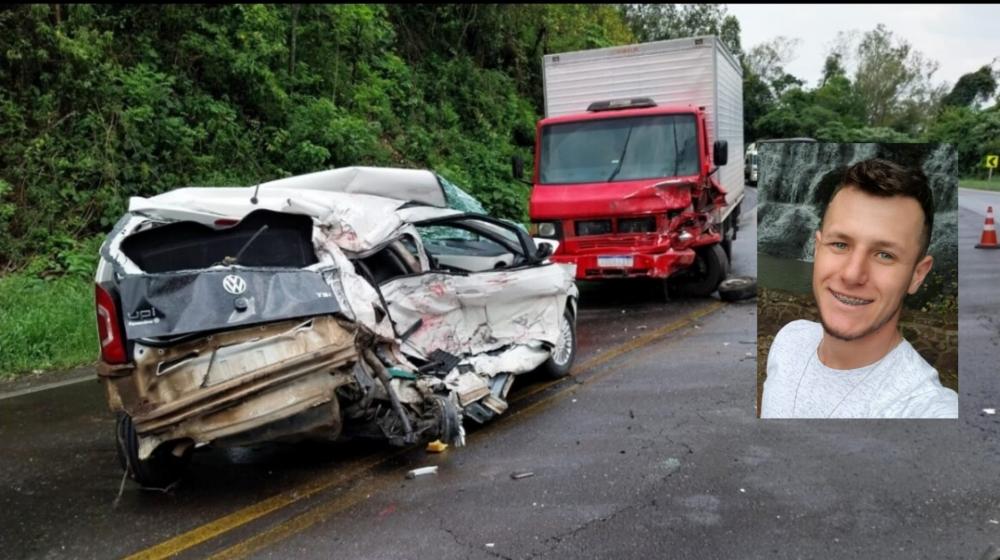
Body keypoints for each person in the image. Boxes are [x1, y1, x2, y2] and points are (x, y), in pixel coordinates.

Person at [761, 158, 958, 419]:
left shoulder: (924, 406)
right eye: (840, 245)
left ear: (917, 275)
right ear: (817, 249)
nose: (852, 274)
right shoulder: (789, 339)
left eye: (885, 255)